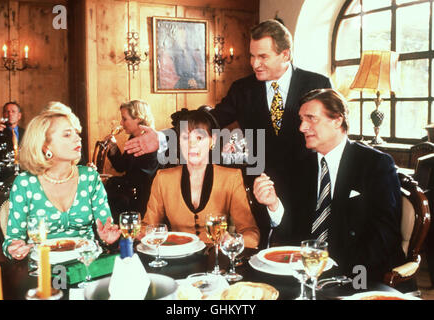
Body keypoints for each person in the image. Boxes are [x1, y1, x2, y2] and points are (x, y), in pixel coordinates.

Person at [122, 19, 332, 247]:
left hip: (307, 190)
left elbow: (331, 132)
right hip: (259, 189)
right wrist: (164, 138)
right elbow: (211, 121)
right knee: (260, 258)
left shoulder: (316, 84)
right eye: (252, 56)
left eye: (263, 57)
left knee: (306, 257)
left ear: (285, 55)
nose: (255, 64)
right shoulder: (243, 89)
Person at [253, 88, 406, 282]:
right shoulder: (298, 165)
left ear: (337, 120)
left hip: (360, 273)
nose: (302, 127)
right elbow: (292, 233)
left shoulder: (375, 164)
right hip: (308, 273)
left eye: (311, 118)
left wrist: (342, 273)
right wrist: (274, 205)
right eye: (301, 119)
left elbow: (384, 234)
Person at [2, 102, 121, 260]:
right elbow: (12, 240)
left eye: (76, 133)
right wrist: (14, 248)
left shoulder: (89, 177)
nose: (77, 139)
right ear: (45, 146)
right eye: (67, 134)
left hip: (86, 264)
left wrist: (107, 238)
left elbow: (106, 229)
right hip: (43, 269)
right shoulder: (25, 183)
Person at [142, 109, 260, 248]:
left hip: (216, 262)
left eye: (199, 138)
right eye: (186, 138)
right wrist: (127, 232)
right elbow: (147, 228)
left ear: (213, 140)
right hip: (176, 259)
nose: (192, 145)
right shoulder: (163, 179)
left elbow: (251, 234)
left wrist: (234, 242)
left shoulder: (231, 178)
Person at [105, 100, 159, 220]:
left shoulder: (150, 141)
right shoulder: (134, 137)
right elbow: (121, 167)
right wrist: (113, 148)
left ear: (138, 118)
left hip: (144, 199)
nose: (121, 123)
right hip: (132, 194)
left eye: (124, 119)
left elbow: (142, 178)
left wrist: (112, 180)